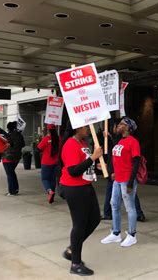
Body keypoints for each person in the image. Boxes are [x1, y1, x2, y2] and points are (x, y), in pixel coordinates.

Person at [59, 124, 102, 276]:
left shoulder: (82, 143)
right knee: (79, 225)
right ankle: (75, 263)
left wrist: (95, 164)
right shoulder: (70, 144)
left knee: (95, 219)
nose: (89, 130)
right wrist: (93, 158)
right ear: (77, 128)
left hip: (85, 186)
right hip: (74, 188)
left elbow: (84, 165)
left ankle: (72, 249)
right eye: (86, 127)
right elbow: (73, 171)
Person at [101, 117, 140, 248]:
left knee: (130, 207)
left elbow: (136, 163)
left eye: (122, 124)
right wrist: (112, 171)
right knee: (114, 205)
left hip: (126, 179)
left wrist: (130, 182)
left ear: (128, 128)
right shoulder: (120, 141)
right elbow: (117, 158)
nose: (119, 125)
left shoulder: (133, 142)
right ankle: (116, 233)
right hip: (117, 179)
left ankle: (132, 235)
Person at [38, 124, 60, 204]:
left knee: (45, 179)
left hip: (46, 162)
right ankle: (52, 198)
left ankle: (49, 191)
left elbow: (38, 148)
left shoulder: (46, 139)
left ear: (48, 130)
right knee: (52, 179)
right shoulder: (59, 139)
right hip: (55, 162)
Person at [2, 121, 25, 196]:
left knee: (10, 174)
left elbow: (3, 145)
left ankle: (12, 191)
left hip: (8, 157)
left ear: (8, 128)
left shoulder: (7, 136)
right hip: (17, 157)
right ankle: (15, 189)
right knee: (12, 172)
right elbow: (23, 144)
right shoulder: (19, 135)